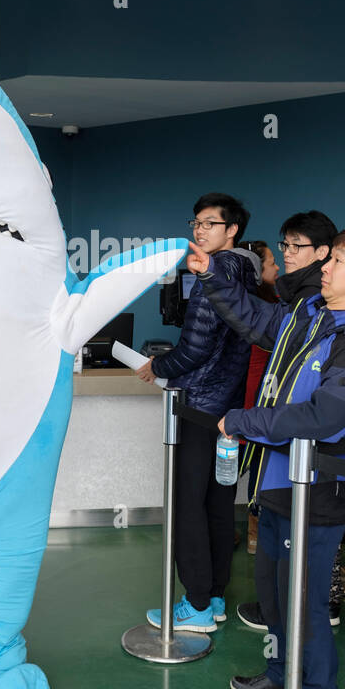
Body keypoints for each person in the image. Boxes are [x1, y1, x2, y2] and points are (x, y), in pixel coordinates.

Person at [191, 224, 345, 689]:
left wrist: (243, 421)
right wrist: (214, 278)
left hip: (318, 492)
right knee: (272, 591)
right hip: (278, 485)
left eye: (339, 261)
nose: (324, 268)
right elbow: (254, 317)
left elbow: (324, 417)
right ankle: (280, 670)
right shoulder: (308, 317)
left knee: (303, 599)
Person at [135, 194, 258, 632]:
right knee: (219, 505)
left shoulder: (214, 273)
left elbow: (197, 345)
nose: (199, 230)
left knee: (188, 506)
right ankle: (216, 597)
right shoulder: (247, 271)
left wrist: (158, 366)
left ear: (232, 231)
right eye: (197, 222)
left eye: (211, 223)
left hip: (199, 405)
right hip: (228, 410)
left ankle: (197, 605)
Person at [235, 211, 338, 627]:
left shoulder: (328, 315)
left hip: (309, 459)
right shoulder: (291, 303)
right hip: (278, 445)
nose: (287, 255)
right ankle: (282, 646)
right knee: (279, 550)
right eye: (284, 246)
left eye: (297, 247)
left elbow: (324, 411)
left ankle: (310, 625)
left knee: (304, 554)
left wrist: (252, 422)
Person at [238, 241, 279, 553]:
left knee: (256, 470)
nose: (277, 268)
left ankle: (253, 532)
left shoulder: (274, 304)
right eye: (271, 263)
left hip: (258, 404)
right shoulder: (261, 310)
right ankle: (251, 532)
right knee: (251, 469)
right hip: (250, 403)